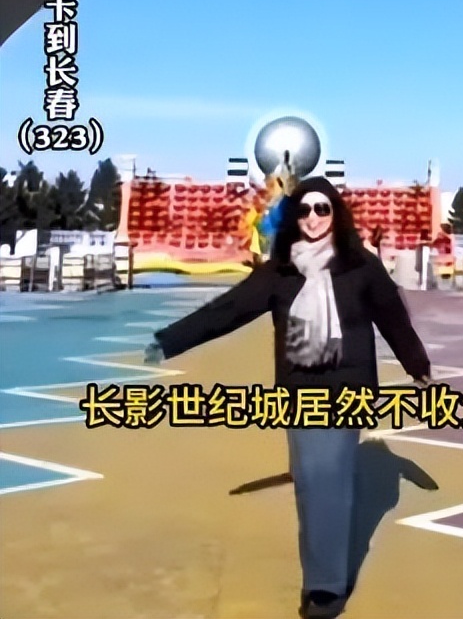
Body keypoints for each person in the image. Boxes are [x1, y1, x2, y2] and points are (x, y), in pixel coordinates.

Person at [144, 177, 431, 619]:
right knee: (310, 483)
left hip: (347, 389)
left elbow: (392, 317)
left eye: (322, 209)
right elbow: (228, 309)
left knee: (329, 480)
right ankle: (322, 572)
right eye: (304, 210)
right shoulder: (280, 272)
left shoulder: (360, 265)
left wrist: (417, 365)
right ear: (294, 216)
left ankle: (325, 588)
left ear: (336, 214)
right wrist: (169, 341)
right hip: (298, 392)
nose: (313, 218)